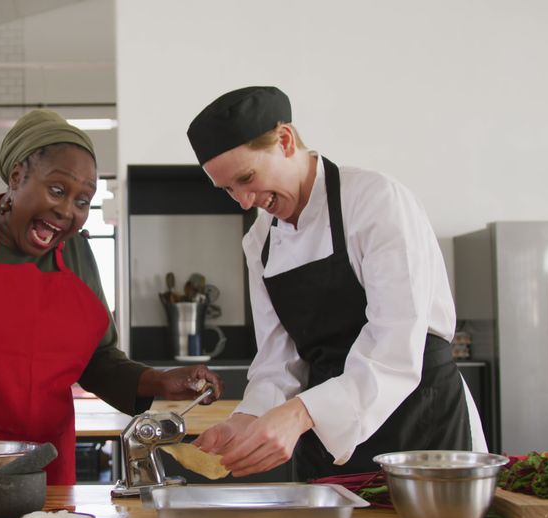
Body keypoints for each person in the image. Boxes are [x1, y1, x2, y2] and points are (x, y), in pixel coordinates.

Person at [0, 109, 222, 486]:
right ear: (16, 178)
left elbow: (97, 360)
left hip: (37, 472)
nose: (66, 211)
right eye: (57, 190)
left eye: (83, 201)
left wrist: (158, 382)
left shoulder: (78, 254)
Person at [187, 86, 486, 482]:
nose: (243, 201)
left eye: (247, 178)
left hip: (422, 424)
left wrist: (300, 413)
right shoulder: (259, 243)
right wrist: (248, 417)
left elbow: (395, 347)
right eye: (228, 189)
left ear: (286, 140)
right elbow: (279, 358)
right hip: (325, 438)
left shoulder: (375, 201)